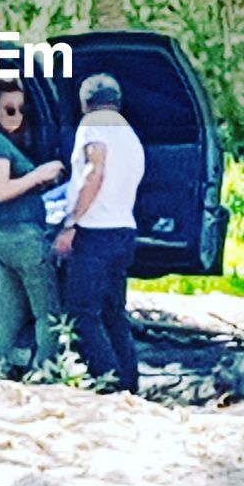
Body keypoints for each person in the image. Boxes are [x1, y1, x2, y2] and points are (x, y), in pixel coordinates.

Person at [54, 73, 145, 393]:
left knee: (81, 313)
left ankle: (108, 382)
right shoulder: (130, 135)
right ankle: (130, 384)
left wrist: (71, 224)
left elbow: (95, 173)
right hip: (124, 230)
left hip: (96, 233)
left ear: (85, 102)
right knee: (113, 313)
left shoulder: (94, 125)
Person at [0, 80, 65, 377]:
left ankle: (0, 371)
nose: (15, 116)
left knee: (10, 312)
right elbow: (0, 189)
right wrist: (39, 175)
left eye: (21, 110)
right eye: (8, 109)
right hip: (21, 236)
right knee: (48, 313)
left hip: (2, 235)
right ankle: (46, 373)